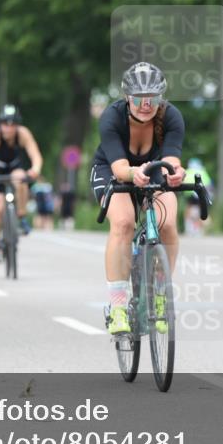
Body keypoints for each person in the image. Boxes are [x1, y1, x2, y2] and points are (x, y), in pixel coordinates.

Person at [90, 62, 185, 335]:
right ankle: (118, 307)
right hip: (114, 169)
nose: (146, 104)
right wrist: (134, 173)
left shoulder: (171, 116)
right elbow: (120, 169)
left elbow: (170, 160)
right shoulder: (112, 116)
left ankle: (160, 292)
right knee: (123, 223)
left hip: (153, 168)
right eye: (139, 98)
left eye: (153, 97)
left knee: (167, 224)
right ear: (127, 98)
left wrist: (175, 173)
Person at [0, 105, 44, 264]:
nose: (9, 128)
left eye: (13, 124)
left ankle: (22, 217)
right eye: (5, 124)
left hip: (14, 168)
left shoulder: (23, 134)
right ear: (0, 124)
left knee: (21, 178)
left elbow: (36, 156)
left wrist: (35, 170)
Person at [183, 157, 212, 235]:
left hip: (189, 193)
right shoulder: (202, 171)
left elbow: (183, 181)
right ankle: (199, 228)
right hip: (200, 192)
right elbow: (208, 183)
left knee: (188, 208)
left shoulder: (187, 171)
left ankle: (188, 227)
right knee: (201, 209)